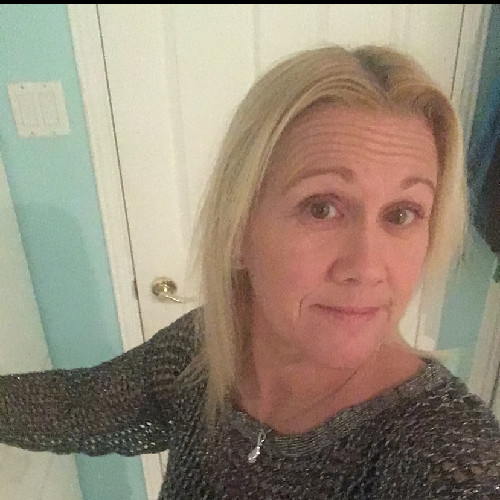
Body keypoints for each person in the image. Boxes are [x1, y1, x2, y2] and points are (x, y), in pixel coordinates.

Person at [1, 45, 499, 499]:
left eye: (402, 214)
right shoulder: (205, 350)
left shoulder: (448, 458)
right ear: (239, 229)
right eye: (322, 208)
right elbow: (77, 407)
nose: (366, 268)